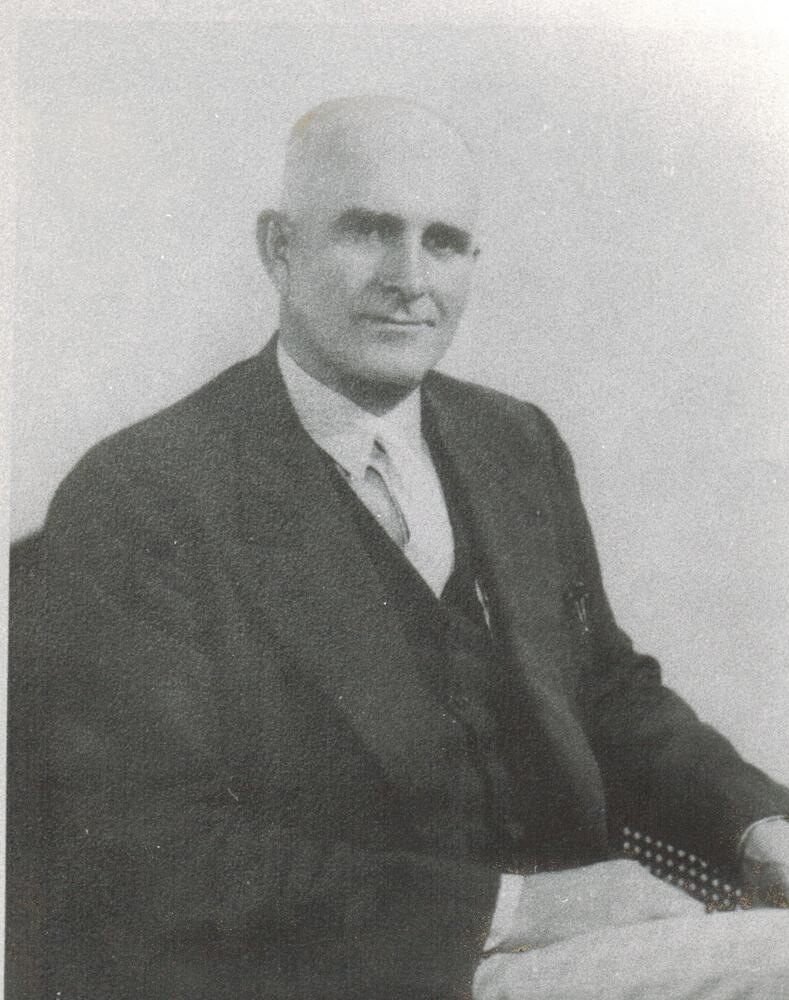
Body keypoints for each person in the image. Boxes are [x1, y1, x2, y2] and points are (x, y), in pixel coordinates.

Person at [13, 96, 789, 999]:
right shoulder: (142, 497)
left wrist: (751, 822)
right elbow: (148, 850)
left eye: (443, 242)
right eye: (369, 231)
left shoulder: (514, 443)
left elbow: (606, 693)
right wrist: (518, 912)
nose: (408, 277)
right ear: (278, 248)